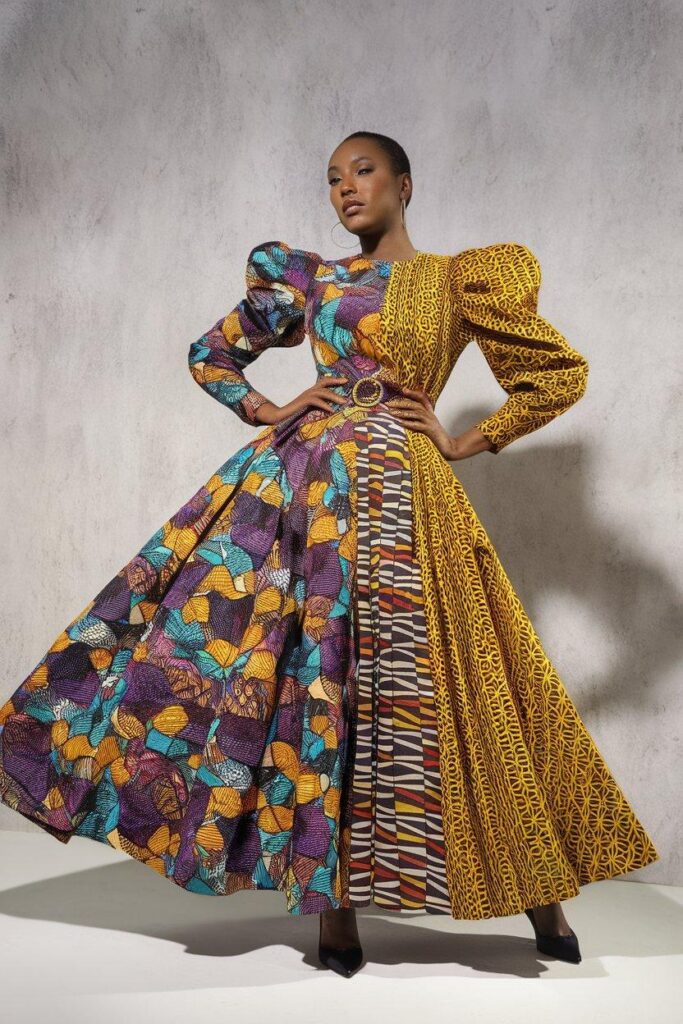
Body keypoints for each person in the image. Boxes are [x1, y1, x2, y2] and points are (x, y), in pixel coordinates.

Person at [0, 131, 659, 979]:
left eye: (363, 172)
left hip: (409, 496)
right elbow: (211, 354)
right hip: (302, 492)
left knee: (461, 682)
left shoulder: (457, 278)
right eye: (332, 179)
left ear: (405, 184)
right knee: (311, 678)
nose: (345, 189)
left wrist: (471, 440)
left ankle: (537, 892)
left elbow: (556, 375)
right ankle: (333, 906)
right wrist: (266, 404)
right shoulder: (309, 278)